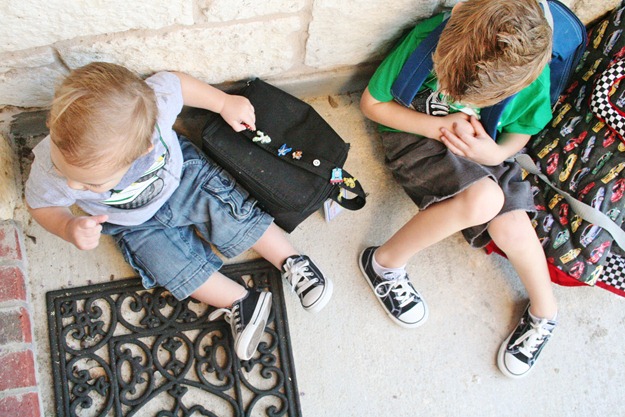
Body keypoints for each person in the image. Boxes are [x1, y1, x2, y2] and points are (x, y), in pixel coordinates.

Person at [25, 62, 333, 361]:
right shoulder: (53, 167)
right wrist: (67, 226)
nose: (71, 185)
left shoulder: (153, 111)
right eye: (64, 170)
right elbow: (41, 204)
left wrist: (224, 102)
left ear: (143, 151)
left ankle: (292, 261)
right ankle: (240, 301)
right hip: (131, 223)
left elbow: (177, 84)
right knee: (167, 265)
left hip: (184, 179)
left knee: (231, 215)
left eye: (89, 183)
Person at [359, 0, 558, 378]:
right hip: (416, 134)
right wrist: (439, 127)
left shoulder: (531, 77)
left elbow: (521, 132)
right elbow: (373, 104)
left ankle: (546, 312)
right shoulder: (428, 39)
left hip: (484, 145)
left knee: (511, 225)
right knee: (485, 199)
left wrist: (495, 152)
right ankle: (383, 262)